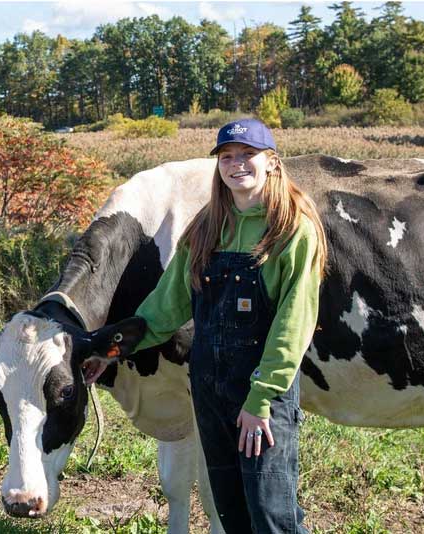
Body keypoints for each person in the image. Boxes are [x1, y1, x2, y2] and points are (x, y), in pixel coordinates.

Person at [89, 119, 327, 533]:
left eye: (246, 155)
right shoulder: (206, 228)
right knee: (230, 511)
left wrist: (262, 400)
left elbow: (294, 323)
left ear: (271, 162)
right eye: (227, 157)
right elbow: (164, 309)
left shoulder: (292, 230)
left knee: (271, 514)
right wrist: (110, 350)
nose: (236, 165)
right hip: (209, 391)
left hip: (259, 393)